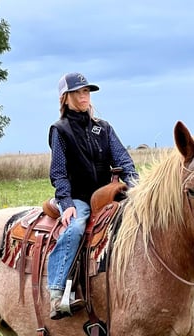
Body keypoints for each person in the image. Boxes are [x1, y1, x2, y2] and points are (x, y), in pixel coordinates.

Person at [46, 72, 138, 319]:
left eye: (86, 91)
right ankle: (56, 294)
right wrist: (66, 204)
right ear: (66, 98)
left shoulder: (103, 128)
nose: (84, 96)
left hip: (105, 195)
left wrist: (136, 188)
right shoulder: (60, 130)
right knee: (75, 228)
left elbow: (123, 161)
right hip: (78, 197)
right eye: (78, 92)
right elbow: (58, 172)